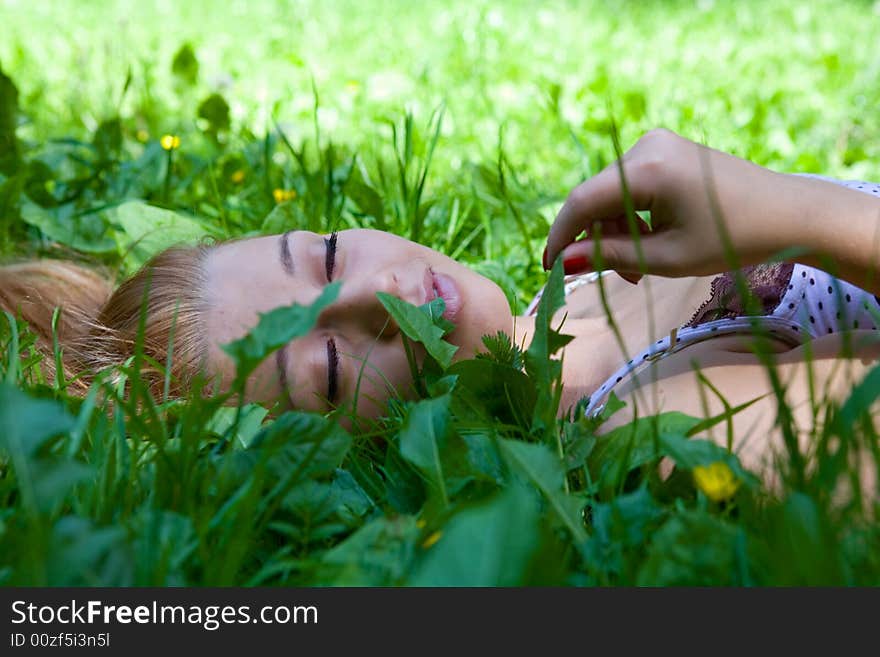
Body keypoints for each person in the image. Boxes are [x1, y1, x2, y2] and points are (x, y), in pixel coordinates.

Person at [2, 128, 879, 481]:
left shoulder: (590, 281)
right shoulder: (661, 434)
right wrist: (802, 214)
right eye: (334, 365)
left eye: (328, 256)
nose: (384, 290)